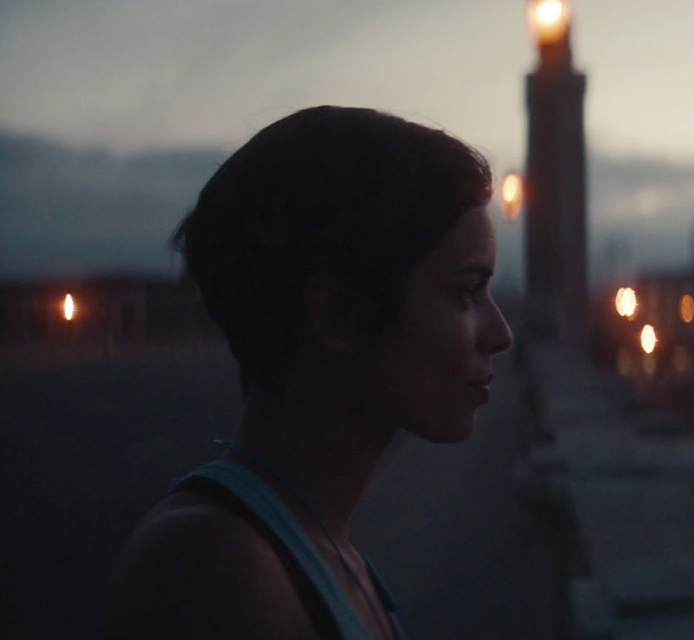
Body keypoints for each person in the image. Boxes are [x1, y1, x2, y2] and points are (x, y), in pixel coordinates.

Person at [106, 106, 513, 640]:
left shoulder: (321, 550)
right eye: (465, 292)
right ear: (339, 316)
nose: (501, 333)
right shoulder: (216, 573)